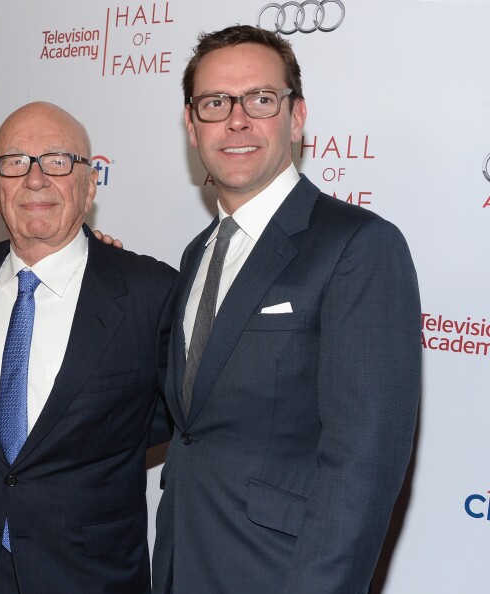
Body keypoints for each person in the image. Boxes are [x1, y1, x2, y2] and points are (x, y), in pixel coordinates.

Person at [152, 25, 421, 594]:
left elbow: (365, 467)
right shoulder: (197, 252)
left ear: (296, 118)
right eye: (215, 102)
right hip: (182, 563)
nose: (237, 119)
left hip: (279, 575)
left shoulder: (358, 246)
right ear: (192, 125)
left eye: (261, 99)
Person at [0, 101, 176, 594]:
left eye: (58, 161)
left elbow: (162, 420)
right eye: (15, 161)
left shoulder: (151, 292)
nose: (35, 179)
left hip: (89, 573)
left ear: (90, 185)